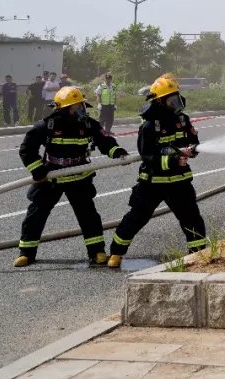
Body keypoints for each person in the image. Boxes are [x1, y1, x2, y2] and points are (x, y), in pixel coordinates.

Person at [14, 86, 129, 267]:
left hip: (79, 176)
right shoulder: (48, 125)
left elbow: (104, 141)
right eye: (76, 108)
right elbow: (27, 149)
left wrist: (118, 152)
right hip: (51, 177)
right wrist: (38, 170)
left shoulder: (88, 124)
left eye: (81, 107)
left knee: (88, 216)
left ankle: (97, 252)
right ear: (63, 110)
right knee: (36, 214)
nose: (81, 111)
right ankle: (26, 253)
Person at [108, 77, 207, 268]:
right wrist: (173, 160)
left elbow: (193, 141)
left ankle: (198, 254)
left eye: (177, 98)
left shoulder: (183, 120)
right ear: (160, 102)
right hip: (153, 183)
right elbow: (147, 155)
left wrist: (192, 150)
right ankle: (116, 253)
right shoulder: (149, 125)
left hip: (179, 182)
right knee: (137, 218)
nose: (176, 103)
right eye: (171, 100)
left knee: (191, 218)